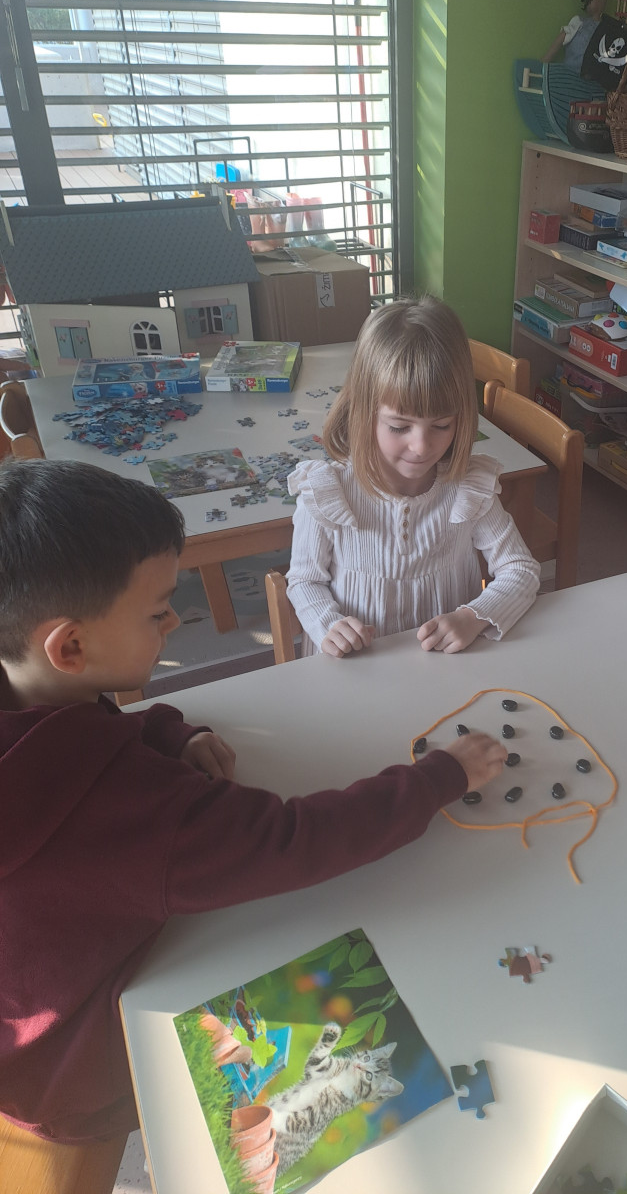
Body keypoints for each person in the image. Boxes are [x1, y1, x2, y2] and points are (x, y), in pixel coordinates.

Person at [0, 457, 507, 1146]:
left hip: (29, 1021)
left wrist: (170, 731)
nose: (173, 621)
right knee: (365, 1033)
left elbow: (78, 735)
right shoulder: (137, 813)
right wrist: (441, 776)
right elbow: (294, 842)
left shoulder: (25, 680)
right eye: (156, 612)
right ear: (70, 646)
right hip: (70, 1074)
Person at [285, 295, 540, 658]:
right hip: (357, 668)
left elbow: (521, 570)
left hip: (445, 667)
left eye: (442, 425)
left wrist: (473, 617)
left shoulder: (469, 488)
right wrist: (328, 624)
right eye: (399, 426)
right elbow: (304, 581)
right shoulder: (328, 491)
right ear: (363, 412)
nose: (421, 447)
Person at [542, 0, 610, 72]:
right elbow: (562, 37)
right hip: (570, 73)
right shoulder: (579, 22)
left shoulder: (608, 29)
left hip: (592, 76)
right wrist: (544, 61)